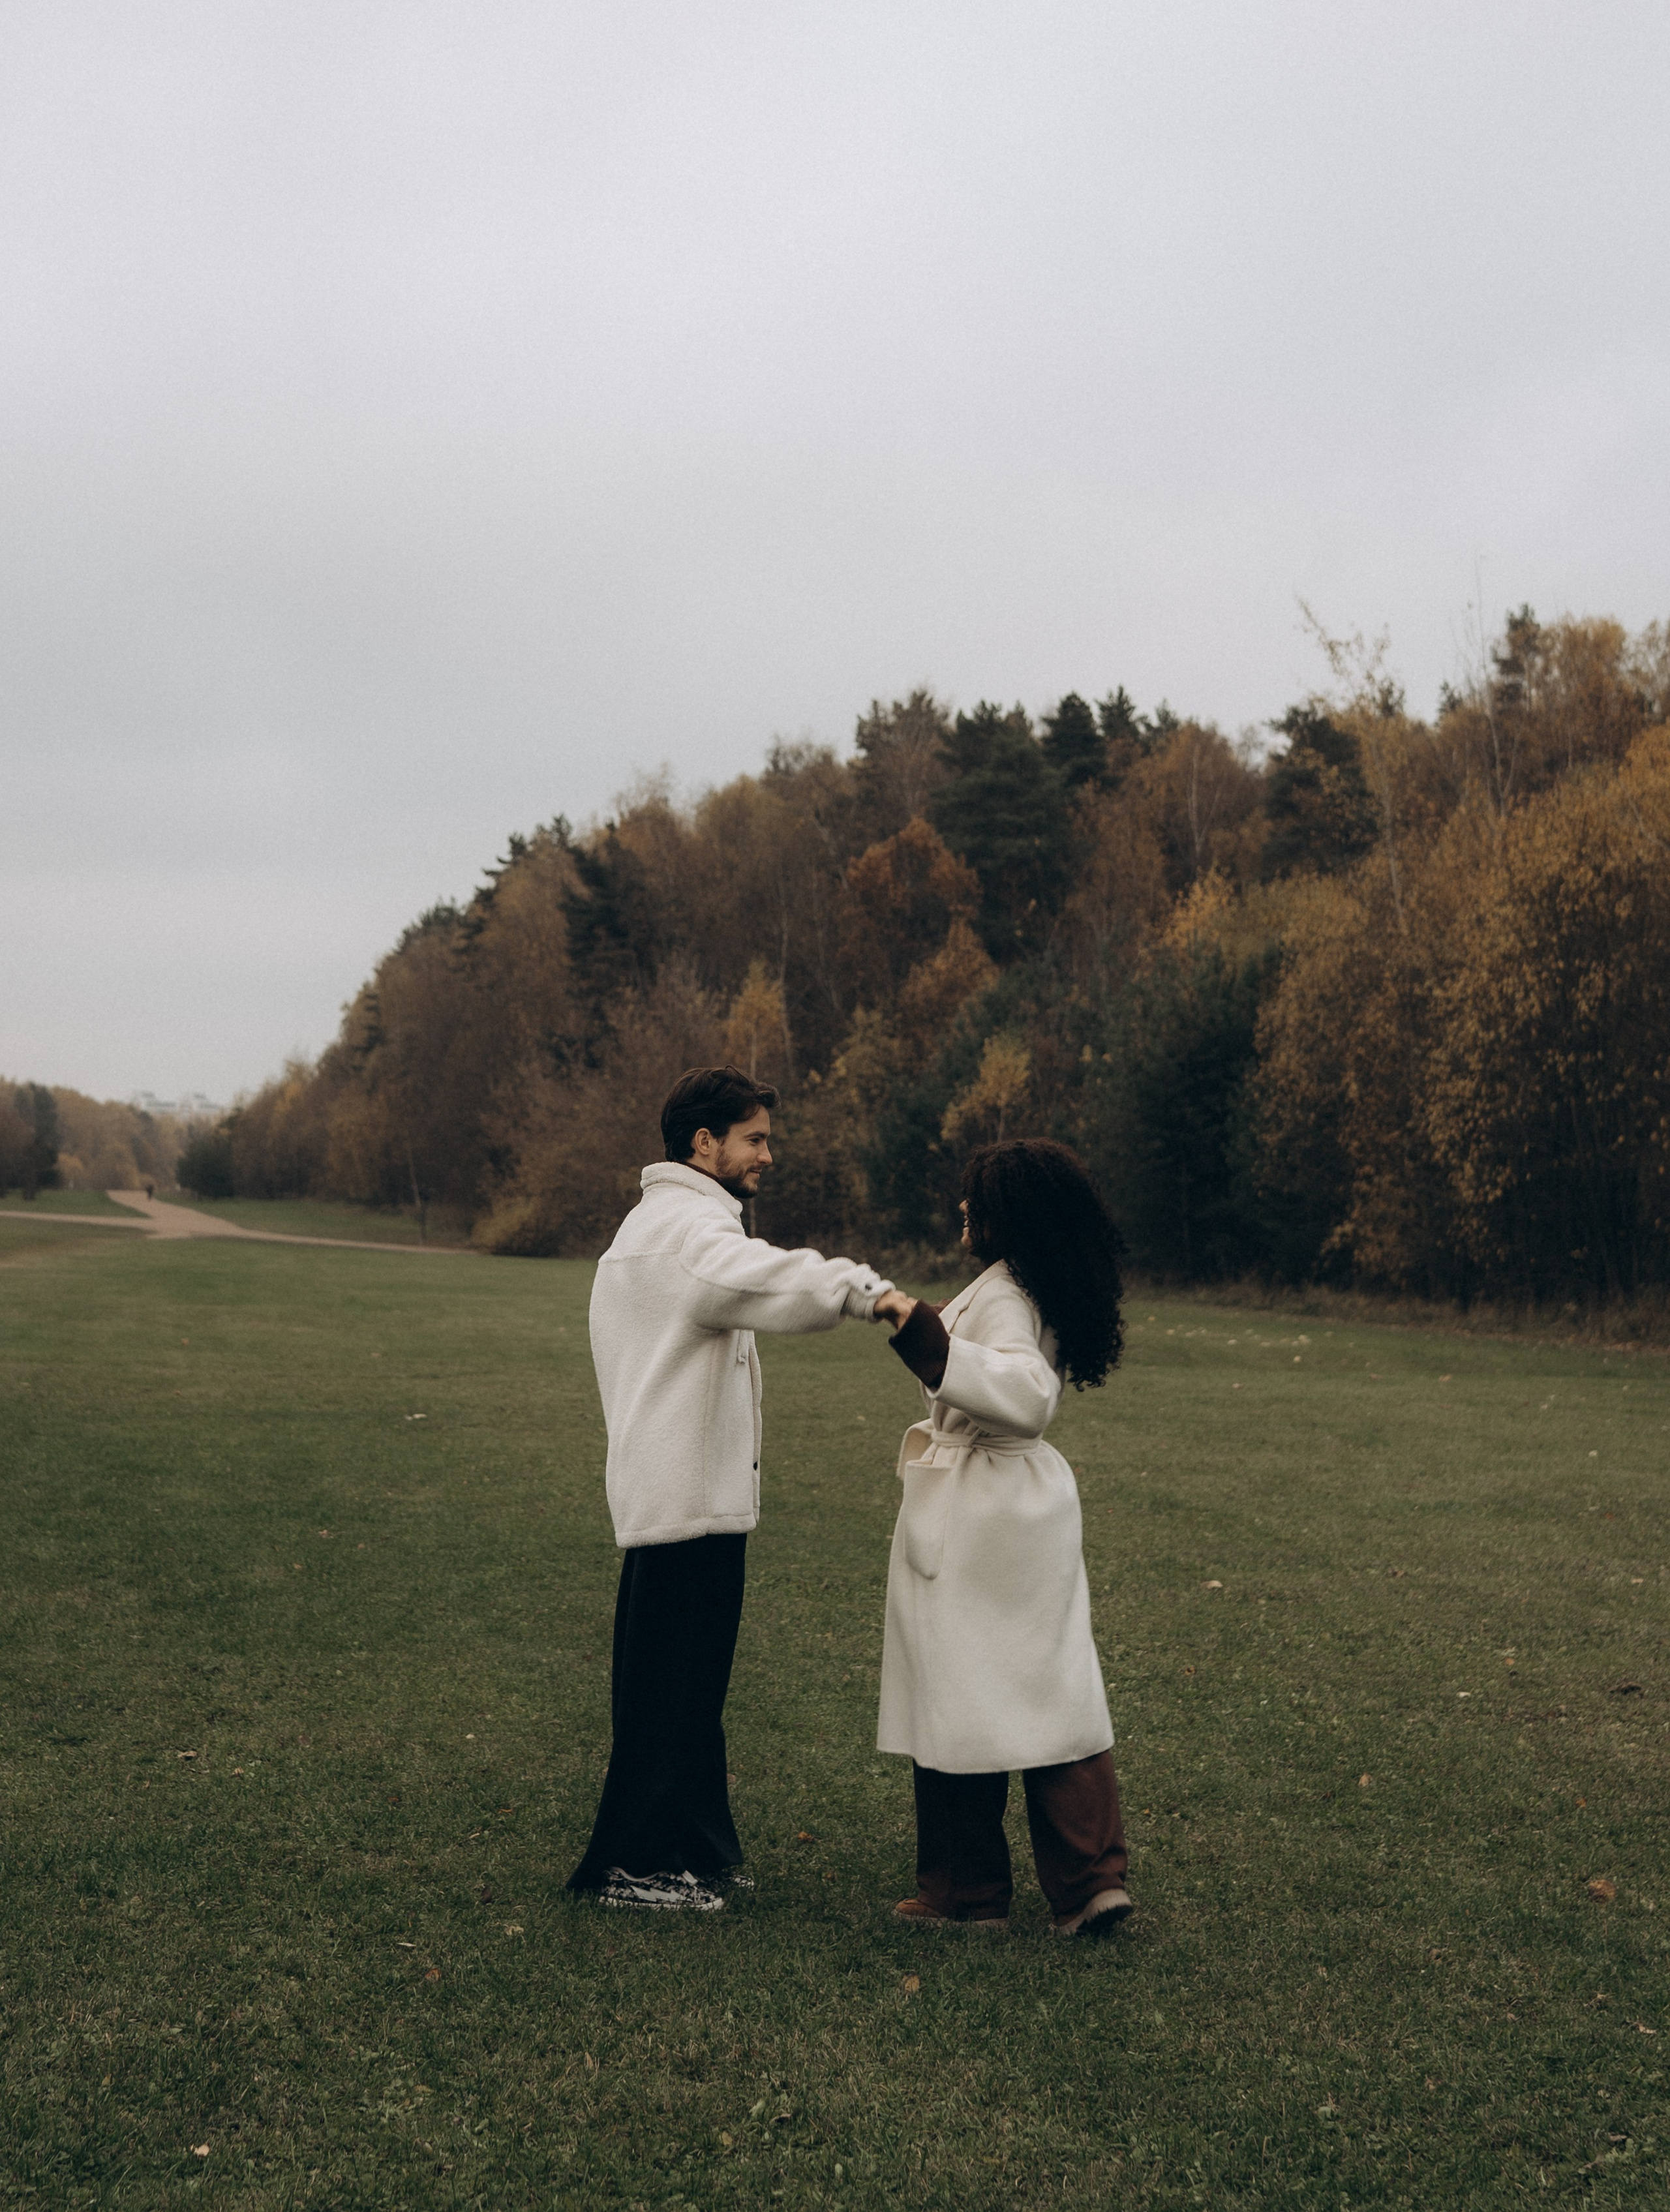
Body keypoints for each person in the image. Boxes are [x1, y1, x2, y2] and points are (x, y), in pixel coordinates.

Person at [569, 1064, 893, 1912]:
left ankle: (698, 1848)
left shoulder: (660, 1223)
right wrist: (865, 1292)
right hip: (682, 1503)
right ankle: (635, 1866)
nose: (767, 1155)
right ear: (703, 1141)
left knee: (690, 1692)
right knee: (668, 1695)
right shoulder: (688, 1230)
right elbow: (766, 1280)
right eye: (755, 1139)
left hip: (686, 1497)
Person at [871, 1138, 1132, 1937]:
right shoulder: (1032, 1282)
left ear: (1008, 1213)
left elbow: (1025, 1393)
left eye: (977, 1198)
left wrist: (917, 1328)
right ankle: (1089, 1880)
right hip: (1021, 1500)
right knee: (1052, 1684)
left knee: (957, 1687)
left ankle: (966, 1891)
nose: (963, 1207)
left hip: (982, 1502)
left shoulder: (1008, 1295)